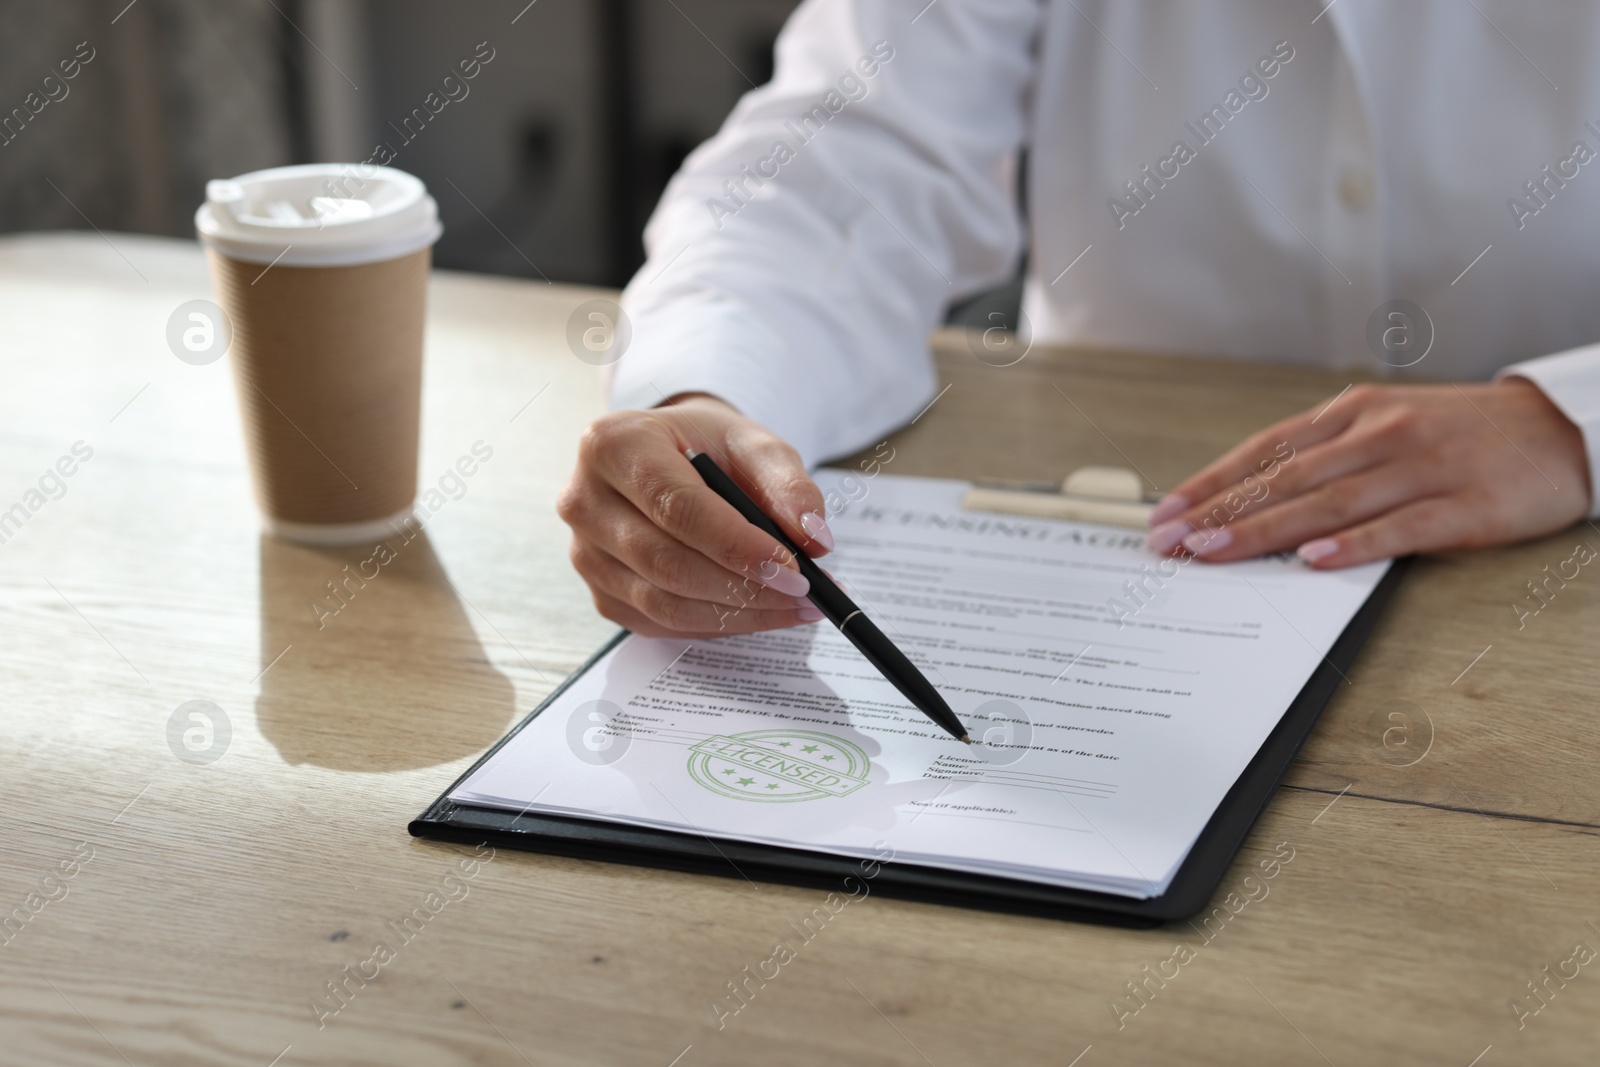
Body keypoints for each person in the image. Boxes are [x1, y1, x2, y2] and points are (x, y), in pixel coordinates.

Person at [557, 0, 1600, 638]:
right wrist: (708, 391)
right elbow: (847, 155)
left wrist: (1568, 421)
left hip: (1542, 587)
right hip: (1112, 547)